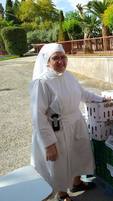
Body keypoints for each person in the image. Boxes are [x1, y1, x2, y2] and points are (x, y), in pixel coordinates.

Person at [30, 43, 105, 201]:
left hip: (76, 123)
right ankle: (62, 193)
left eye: (63, 57)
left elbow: (83, 93)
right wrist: (49, 144)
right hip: (56, 130)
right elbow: (38, 116)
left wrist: (102, 99)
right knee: (60, 163)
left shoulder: (69, 76)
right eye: (55, 58)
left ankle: (76, 183)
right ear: (47, 61)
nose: (61, 61)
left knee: (78, 154)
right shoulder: (41, 82)